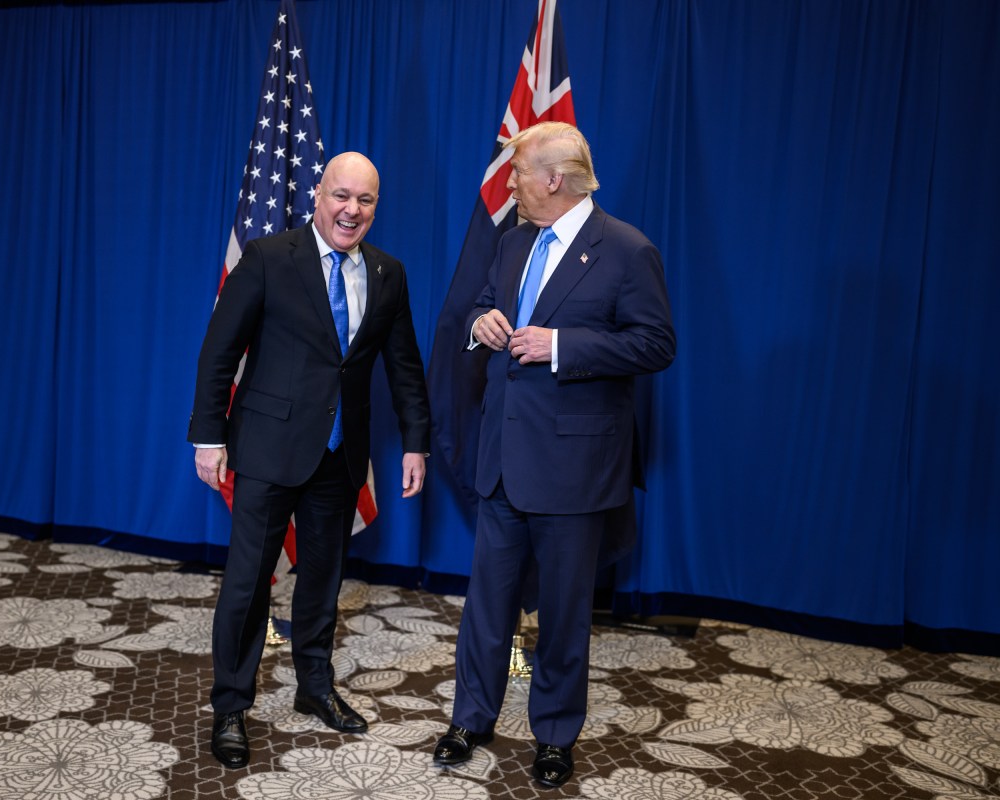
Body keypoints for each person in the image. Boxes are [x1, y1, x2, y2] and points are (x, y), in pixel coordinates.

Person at [431, 122, 675, 788]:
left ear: (553, 179)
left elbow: (656, 345)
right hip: (502, 458)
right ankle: (469, 718)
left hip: (573, 469)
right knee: (487, 602)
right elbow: (486, 308)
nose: (509, 184)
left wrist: (563, 347)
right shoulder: (512, 244)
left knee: (565, 611)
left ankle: (555, 733)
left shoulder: (626, 250)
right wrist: (482, 324)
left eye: (517, 173)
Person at [188, 152, 431, 768]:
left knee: (323, 580)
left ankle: (314, 688)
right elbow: (220, 353)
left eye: (366, 200)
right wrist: (207, 437)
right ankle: (231, 706)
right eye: (342, 196)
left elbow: (404, 366)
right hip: (268, 451)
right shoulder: (269, 258)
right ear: (318, 195)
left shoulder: (388, 273)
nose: (352, 210)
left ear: (377, 207)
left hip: (340, 455)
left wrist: (416, 441)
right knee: (248, 585)